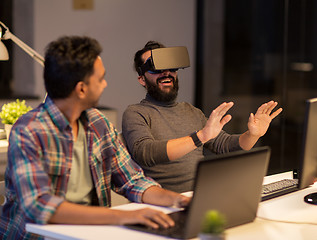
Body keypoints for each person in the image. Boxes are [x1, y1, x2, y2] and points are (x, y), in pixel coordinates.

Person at [0, 36, 190, 239]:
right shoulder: (29, 131)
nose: (105, 84)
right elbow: (41, 207)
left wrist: (177, 200)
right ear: (81, 89)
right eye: (100, 79)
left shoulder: (99, 124)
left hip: (89, 234)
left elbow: (133, 181)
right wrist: (122, 216)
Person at [122, 41, 283, 193]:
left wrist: (253, 135)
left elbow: (225, 145)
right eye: (156, 67)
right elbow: (144, 152)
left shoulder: (191, 111)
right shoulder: (136, 113)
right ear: (142, 79)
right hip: (163, 204)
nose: (166, 73)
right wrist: (200, 137)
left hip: (201, 196)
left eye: (170, 66)